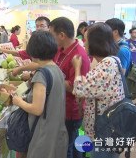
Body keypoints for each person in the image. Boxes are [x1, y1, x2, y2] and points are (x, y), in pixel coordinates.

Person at [12, 31, 68, 158]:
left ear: (33, 51)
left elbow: (37, 109)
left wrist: (19, 102)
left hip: (43, 135)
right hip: (57, 131)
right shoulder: (56, 69)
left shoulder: (41, 74)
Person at [72, 22, 124, 158]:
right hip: (108, 126)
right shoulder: (111, 61)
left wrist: (77, 67)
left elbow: (79, 89)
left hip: (104, 130)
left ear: (96, 43)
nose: (84, 44)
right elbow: (95, 87)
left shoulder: (107, 64)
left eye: (87, 40)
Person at [50, 17, 90, 158]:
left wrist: (52, 77)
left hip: (71, 110)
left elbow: (76, 87)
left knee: (69, 146)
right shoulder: (61, 49)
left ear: (62, 35)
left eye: (52, 34)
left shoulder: (79, 56)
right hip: (61, 107)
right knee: (65, 144)